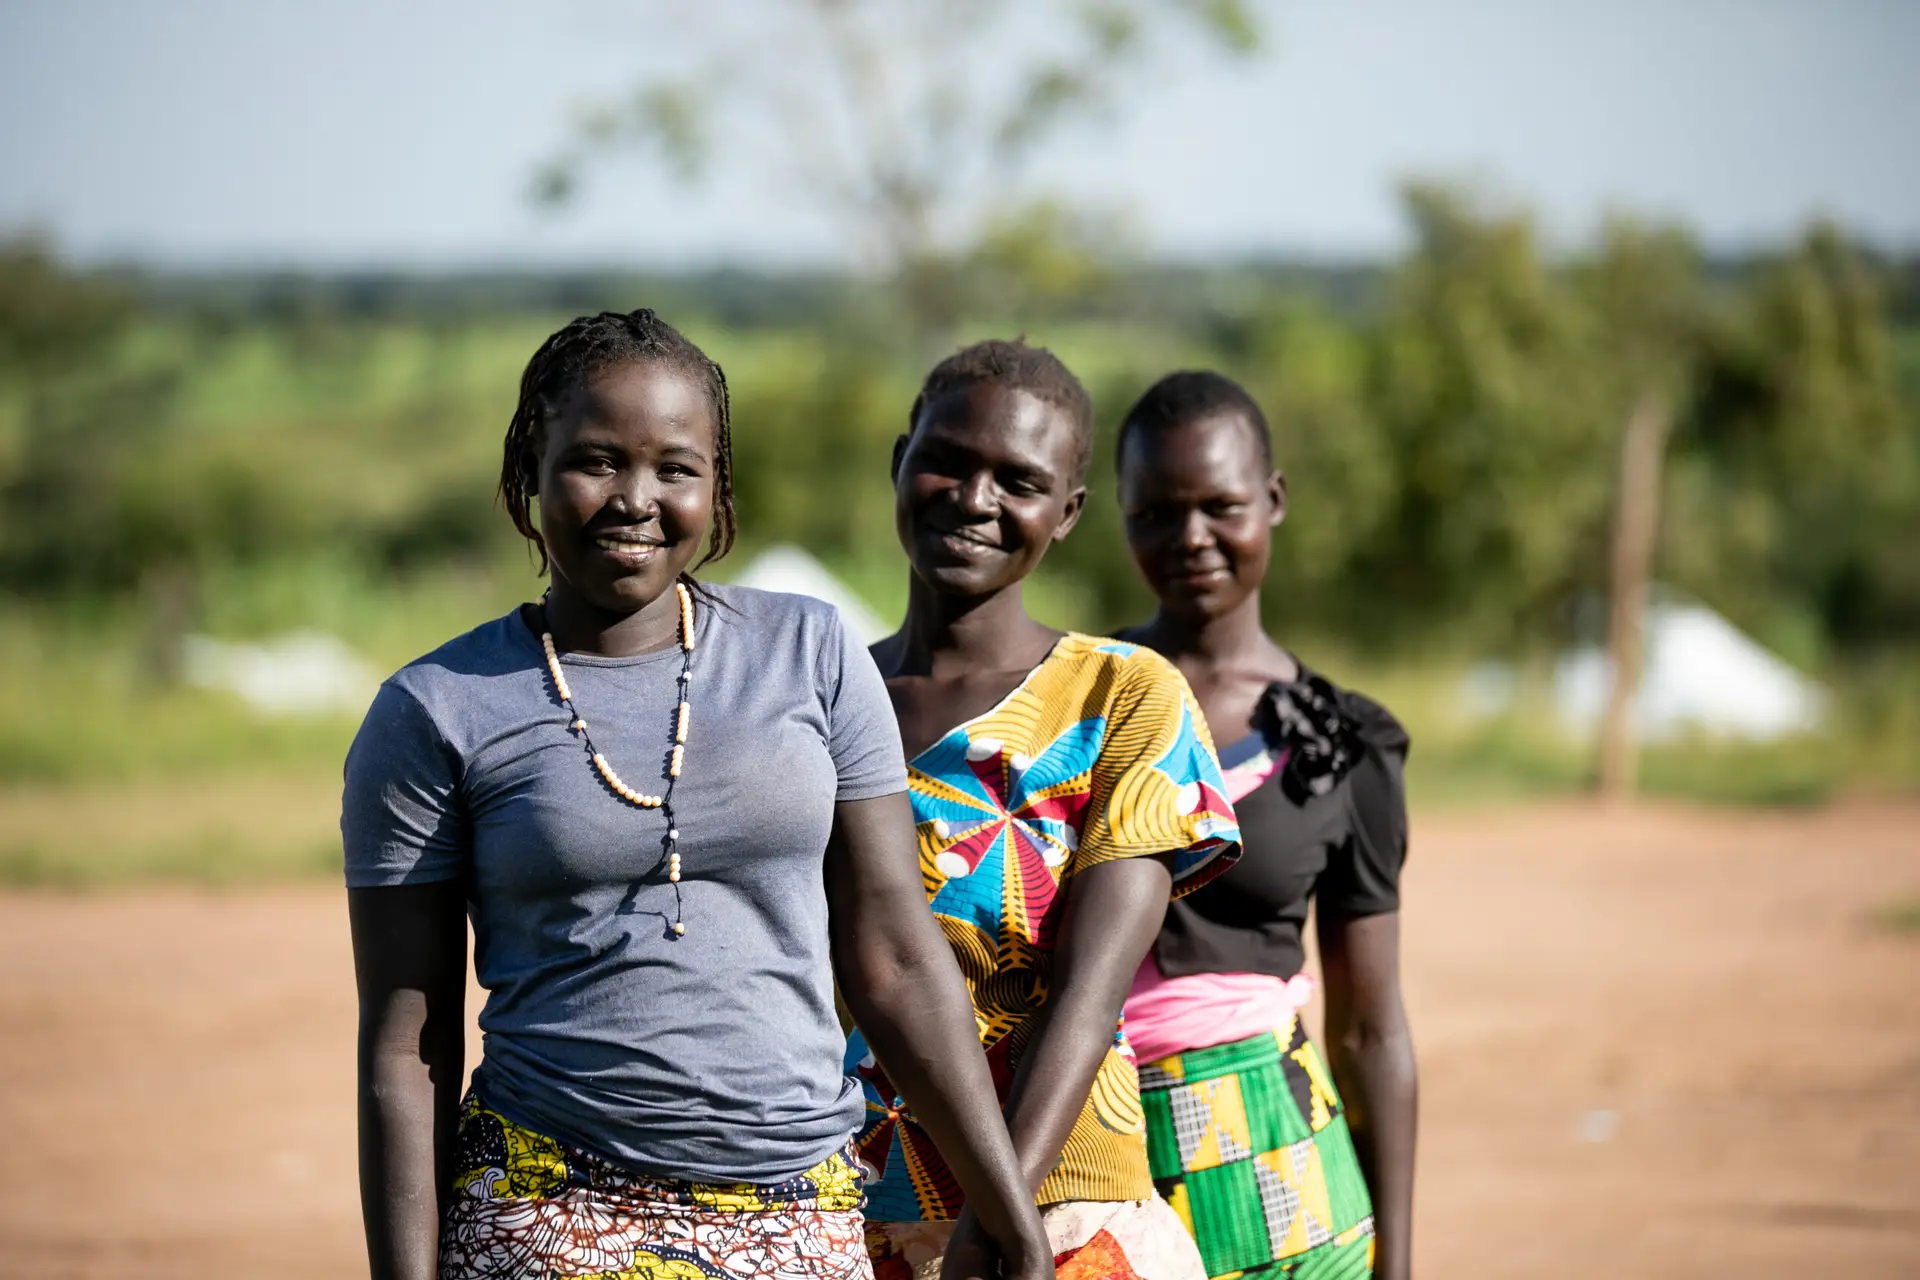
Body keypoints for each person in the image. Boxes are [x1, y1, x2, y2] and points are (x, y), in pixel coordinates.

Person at [344, 309, 1053, 1280]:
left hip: (800, 1216)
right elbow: (405, 1040)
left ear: (717, 488)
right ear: (527, 472)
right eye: (598, 459)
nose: (635, 499)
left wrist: (1010, 1211)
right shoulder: (437, 709)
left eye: (675, 467)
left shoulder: (810, 651)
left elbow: (893, 952)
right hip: (551, 1213)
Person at [844, 339, 1242, 1280]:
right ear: (900, 459)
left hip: (1061, 1213)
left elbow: (1092, 987)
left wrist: (1001, 1207)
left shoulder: (1121, 696)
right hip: (852, 1206)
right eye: (948, 460)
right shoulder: (822, 697)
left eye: (1018, 481)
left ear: (1066, 514)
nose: (974, 500)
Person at [1111, 371, 1417, 1280]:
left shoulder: (1343, 743)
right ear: (1115, 514)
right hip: (1090, 1154)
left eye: (1220, 505)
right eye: (1156, 513)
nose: (1190, 538)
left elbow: (1371, 1032)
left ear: (1273, 501)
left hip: (1282, 1171)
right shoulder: (1074, 704)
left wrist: (1398, 1265)